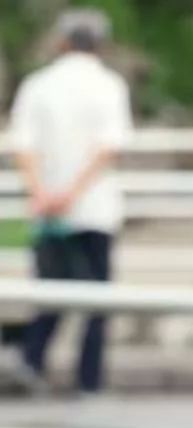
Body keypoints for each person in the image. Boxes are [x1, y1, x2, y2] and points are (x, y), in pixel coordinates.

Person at [9, 9, 132, 394]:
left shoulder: (38, 84)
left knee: (49, 293)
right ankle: (89, 381)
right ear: (101, 43)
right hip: (93, 208)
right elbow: (109, 146)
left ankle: (31, 362)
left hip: (47, 210)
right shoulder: (109, 85)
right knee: (96, 301)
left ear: (62, 41)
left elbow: (23, 145)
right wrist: (73, 193)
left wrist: (41, 192)